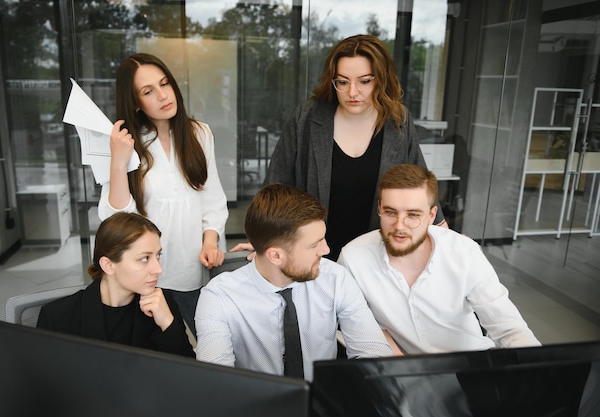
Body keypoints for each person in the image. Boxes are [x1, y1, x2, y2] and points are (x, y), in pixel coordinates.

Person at [265, 34, 447, 261]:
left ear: (381, 80)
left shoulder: (397, 121)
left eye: (364, 81)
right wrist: (265, 239)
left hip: (375, 255)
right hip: (314, 253)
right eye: (342, 82)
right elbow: (275, 185)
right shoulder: (307, 117)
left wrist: (441, 230)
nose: (352, 92)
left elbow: (419, 181)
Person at [195, 184, 393, 381]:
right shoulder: (219, 296)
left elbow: (373, 354)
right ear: (275, 255)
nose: (325, 250)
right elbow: (216, 380)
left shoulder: (336, 278)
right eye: (314, 245)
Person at [337, 164, 541, 355]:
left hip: (470, 366)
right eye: (391, 212)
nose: (400, 225)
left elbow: (508, 328)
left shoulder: (463, 252)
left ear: (432, 214)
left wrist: (543, 371)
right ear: (379, 208)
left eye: (413, 215)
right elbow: (353, 326)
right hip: (401, 372)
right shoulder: (354, 257)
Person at [98, 53, 228, 338]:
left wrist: (210, 241)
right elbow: (117, 219)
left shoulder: (199, 133)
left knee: (209, 343)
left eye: (165, 84)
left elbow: (212, 197)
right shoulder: (124, 144)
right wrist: (118, 162)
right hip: (147, 274)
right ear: (135, 102)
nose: (162, 95)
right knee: (160, 351)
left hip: (193, 266)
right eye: (148, 91)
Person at [37, 212, 194, 357]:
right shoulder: (57, 317)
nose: (158, 269)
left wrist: (168, 324)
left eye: (158, 255)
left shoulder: (163, 303)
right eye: (144, 258)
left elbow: (191, 376)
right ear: (108, 265)